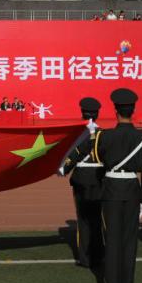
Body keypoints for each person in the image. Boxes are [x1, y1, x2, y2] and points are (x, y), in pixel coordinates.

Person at [95, 88, 142, 283]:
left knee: (111, 239)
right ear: (133, 110)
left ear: (115, 110)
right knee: (129, 242)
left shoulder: (104, 136)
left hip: (111, 189)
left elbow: (99, 161)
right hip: (132, 190)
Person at [59, 97, 104, 268]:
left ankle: (85, 258)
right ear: (97, 114)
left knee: (83, 220)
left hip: (81, 177)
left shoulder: (77, 133)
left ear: (82, 113)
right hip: (98, 177)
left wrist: (64, 168)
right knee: (97, 219)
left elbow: (71, 153)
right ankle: (98, 256)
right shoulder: (103, 134)